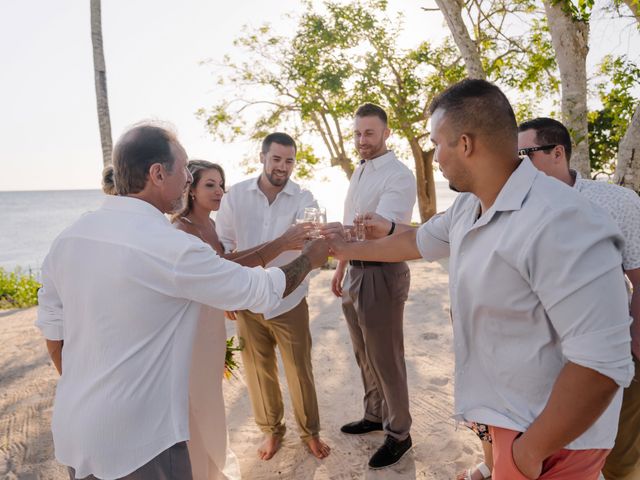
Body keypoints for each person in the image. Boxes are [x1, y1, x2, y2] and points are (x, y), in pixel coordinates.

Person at [326, 79, 634, 480]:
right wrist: (342, 249)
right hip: (505, 421)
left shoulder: (564, 220)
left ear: (466, 144)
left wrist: (524, 456)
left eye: (437, 143)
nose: (435, 157)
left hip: (555, 443)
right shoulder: (468, 207)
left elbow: (602, 364)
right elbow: (412, 242)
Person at [35, 122, 328, 480]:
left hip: (76, 431)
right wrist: (311, 258)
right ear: (158, 174)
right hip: (143, 443)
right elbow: (260, 289)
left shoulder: (68, 238)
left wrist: (93, 392)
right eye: (185, 170)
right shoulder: (170, 247)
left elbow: (54, 332)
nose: (189, 180)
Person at [171, 159, 312, 479]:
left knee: (210, 398)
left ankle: (213, 463)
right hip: (194, 328)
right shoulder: (181, 230)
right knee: (197, 401)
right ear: (190, 189)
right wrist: (283, 244)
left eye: (222, 184)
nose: (220, 191)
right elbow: (222, 270)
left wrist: (226, 297)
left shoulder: (211, 225)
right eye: (210, 185)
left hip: (212, 324)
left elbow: (229, 263)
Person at [518, 117, 640, 480]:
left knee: (621, 458)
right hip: (538, 360)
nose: (516, 165)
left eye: (525, 154)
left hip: (608, 356)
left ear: (558, 153)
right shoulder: (515, 207)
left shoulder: (616, 202)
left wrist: (634, 349)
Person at [215, 132, 331, 462]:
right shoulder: (235, 196)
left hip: (289, 301)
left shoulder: (304, 198)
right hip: (247, 299)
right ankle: (271, 432)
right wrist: (227, 296)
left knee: (299, 370)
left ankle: (310, 433)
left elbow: (313, 244)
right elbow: (222, 247)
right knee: (257, 370)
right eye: (277, 159)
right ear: (263, 157)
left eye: (289, 160)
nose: (282, 166)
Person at [329, 103, 417, 470]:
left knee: (386, 357)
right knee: (363, 353)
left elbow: (384, 231)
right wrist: (341, 267)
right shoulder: (360, 172)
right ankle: (374, 414)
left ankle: (399, 433)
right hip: (354, 272)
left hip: (382, 273)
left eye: (369, 133)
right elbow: (355, 225)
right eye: (357, 133)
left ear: (386, 133)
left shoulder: (398, 175)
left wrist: (354, 235)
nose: (361, 140)